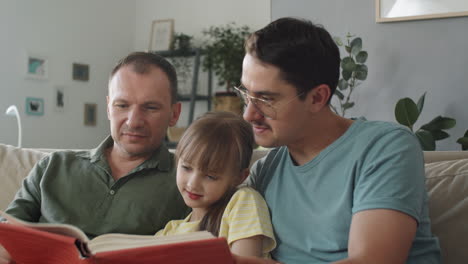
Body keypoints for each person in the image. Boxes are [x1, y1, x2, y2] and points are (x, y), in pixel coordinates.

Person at [237, 17, 441, 264]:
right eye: (246, 94)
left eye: (266, 99)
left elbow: (372, 261)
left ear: (316, 98)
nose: (248, 114)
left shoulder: (385, 148)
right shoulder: (264, 171)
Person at [0, 52, 189, 263]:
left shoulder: (189, 182)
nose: (134, 121)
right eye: (122, 105)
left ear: (174, 114)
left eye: (150, 107)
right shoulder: (52, 166)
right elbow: (6, 236)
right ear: (108, 107)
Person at [155, 111, 276, 258]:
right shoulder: (170, 232)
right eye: (186, 167)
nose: (193, 184)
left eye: (210, 176)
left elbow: (247, 261)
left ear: (239, 177)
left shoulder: (243, 202)